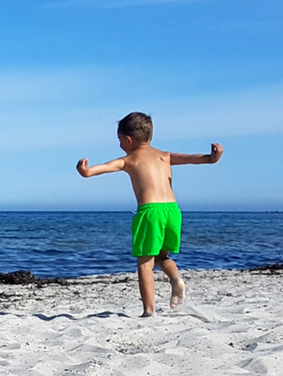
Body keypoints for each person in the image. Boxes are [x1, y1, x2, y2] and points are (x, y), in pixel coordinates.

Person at [76, 112, 222, 317]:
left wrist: (87, 171)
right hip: (172, 210)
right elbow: (191, 159)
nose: (119, 145)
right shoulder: (165, 156)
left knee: (145, 263)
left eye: (119, 140)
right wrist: (212, 158)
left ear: (128, 139)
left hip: (150, 211)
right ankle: (175, 279)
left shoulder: (129, 160)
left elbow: (107, 167)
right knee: (162, 256)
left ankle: (148, 310)